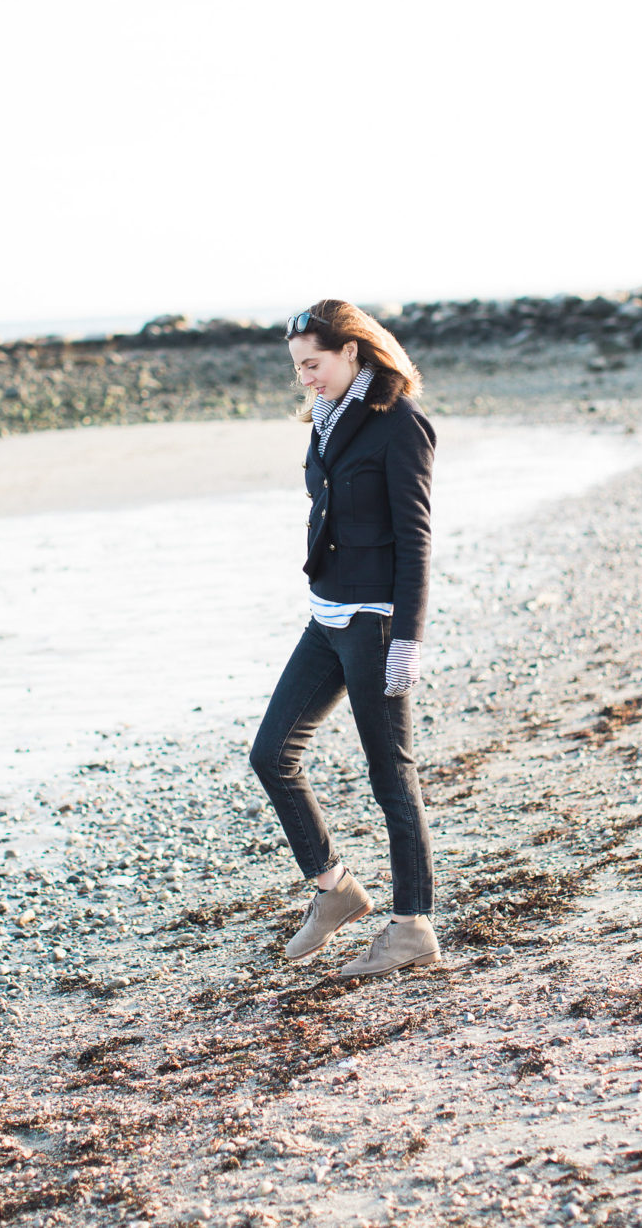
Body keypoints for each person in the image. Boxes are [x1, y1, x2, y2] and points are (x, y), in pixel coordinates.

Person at [249, 299, 440, 976]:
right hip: (325, 618)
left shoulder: (401, 425)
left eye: (314, 362)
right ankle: (335, 891)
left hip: (375, 622)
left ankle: (412, 926)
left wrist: (407, 641)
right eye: (297, 366)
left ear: (352, 351)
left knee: (392, 776)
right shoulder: (326, 422)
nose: (305, 376)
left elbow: (415, 540)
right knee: (271, 755)